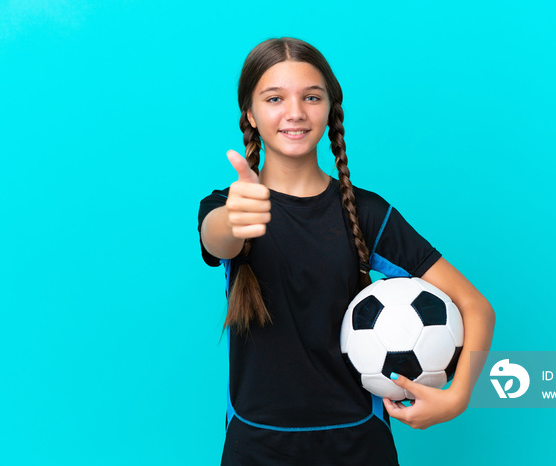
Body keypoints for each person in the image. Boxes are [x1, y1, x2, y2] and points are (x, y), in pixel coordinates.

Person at [198, 37, 495, 466]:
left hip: (359, 443)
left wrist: (458, 396)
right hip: (256, 445)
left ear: (330, 108)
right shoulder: (229, 207)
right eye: (275, 98)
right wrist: (234, 219)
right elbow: (217, 238)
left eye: (311, 97)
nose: (295, 112)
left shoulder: (367, 213)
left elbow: (476, 307)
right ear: (250, 112)